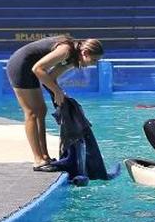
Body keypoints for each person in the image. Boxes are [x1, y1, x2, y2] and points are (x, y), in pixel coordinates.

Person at [6, 36, 104, 170]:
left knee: (41, 110)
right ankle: (38, 160)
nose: (93, 64)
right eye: (93, 60)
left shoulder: (73, 58)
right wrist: (56, 90)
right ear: (85, 52)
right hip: (20, 66)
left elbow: (51, 77)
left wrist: (60, 94)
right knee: (31, 113)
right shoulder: (66, 50)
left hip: (31, 68)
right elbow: (38, 69)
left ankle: (45, 157)